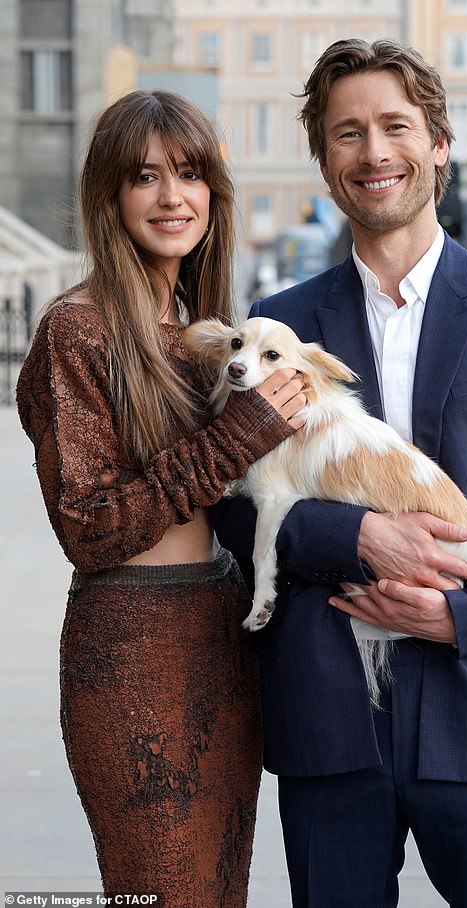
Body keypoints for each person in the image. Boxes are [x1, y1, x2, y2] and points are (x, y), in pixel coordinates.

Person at [212, 38, 467, 907]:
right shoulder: (278, 326)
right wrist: (357, 534)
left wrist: (460, 613)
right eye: (347, 133)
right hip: (328, 716)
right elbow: (235, 509)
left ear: (438, 142)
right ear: (324, 161)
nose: (374, 152)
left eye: (395, 126)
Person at [15, 89, 306, 907]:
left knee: (220, 889)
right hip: (133, 646)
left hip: (220, 631)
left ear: (215, 191)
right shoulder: (77, 329)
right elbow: (90, 526)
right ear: (110, 196)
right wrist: (237, 435)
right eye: (145, 177)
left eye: (190, 174)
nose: (172, 197)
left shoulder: (195, 325)